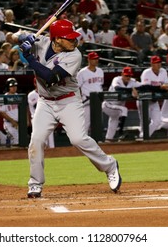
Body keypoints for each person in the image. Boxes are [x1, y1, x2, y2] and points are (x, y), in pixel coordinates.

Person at [18, 19, 121, 198]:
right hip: (46, 102)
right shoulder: (41, 42)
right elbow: (16, 38)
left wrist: (29, 57)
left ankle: (109, 165)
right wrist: (24, 39)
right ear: (56, 39)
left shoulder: (75, 55)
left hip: (69, 102)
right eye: (69, 38)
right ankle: (35, 183)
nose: (74, 41)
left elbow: (50, 77)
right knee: (36, 140)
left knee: (78, 139)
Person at [102, 66, 140, 142]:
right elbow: (117, 89)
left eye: (129, 75)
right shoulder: (116, 79)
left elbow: (143, 86)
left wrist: (137, 90)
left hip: (117, 108)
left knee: (113, 123)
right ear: (122, 74)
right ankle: (120, 133)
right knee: (124, 109)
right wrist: (132, 90)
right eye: (126, 75)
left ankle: (108, 140)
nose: (128, 77)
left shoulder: (132, 81)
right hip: (108, 105)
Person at [137, 56, 168, 139]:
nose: (158, 64)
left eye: (159, 62)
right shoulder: (146, 72)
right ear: (151, 64)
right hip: (144, 100)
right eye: (156, 63)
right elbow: (146, 87)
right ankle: (144, 139)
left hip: (154, 101)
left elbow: (166, 85)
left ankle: (142, 137)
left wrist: (167, 88)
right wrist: (160, 88)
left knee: (157, 121)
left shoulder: (163, 71)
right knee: (144, 121)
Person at [76, 52, 104, 134]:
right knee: (86, 122)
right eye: (94, 59)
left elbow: (100, 85)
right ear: (88, 59)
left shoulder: (100, 71)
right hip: (87, 99)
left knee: (98, 122)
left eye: (97, 59)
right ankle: (84, 141)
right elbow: (77, 87)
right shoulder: (82, 72)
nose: (96, 60)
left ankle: (97, 140)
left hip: (98, 99)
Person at [28, 79, 55, 149]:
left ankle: (53, 155)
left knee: (51, 143)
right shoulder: (31, 95)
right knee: (41, 142)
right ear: (35, 84)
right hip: (36, 119)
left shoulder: (48, 93)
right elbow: (34, 106)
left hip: (48, 118)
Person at [0, 78, 19, 146]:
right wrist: (12, 120)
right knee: (16, 141)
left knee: (21, 141)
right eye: (12, 86)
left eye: (15, 86)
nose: (14, 88)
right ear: (8, 87)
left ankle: (7, 142)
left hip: (19, 123)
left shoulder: (18, 96)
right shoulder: (4, 97)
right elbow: (1, 112)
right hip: (9, 124)